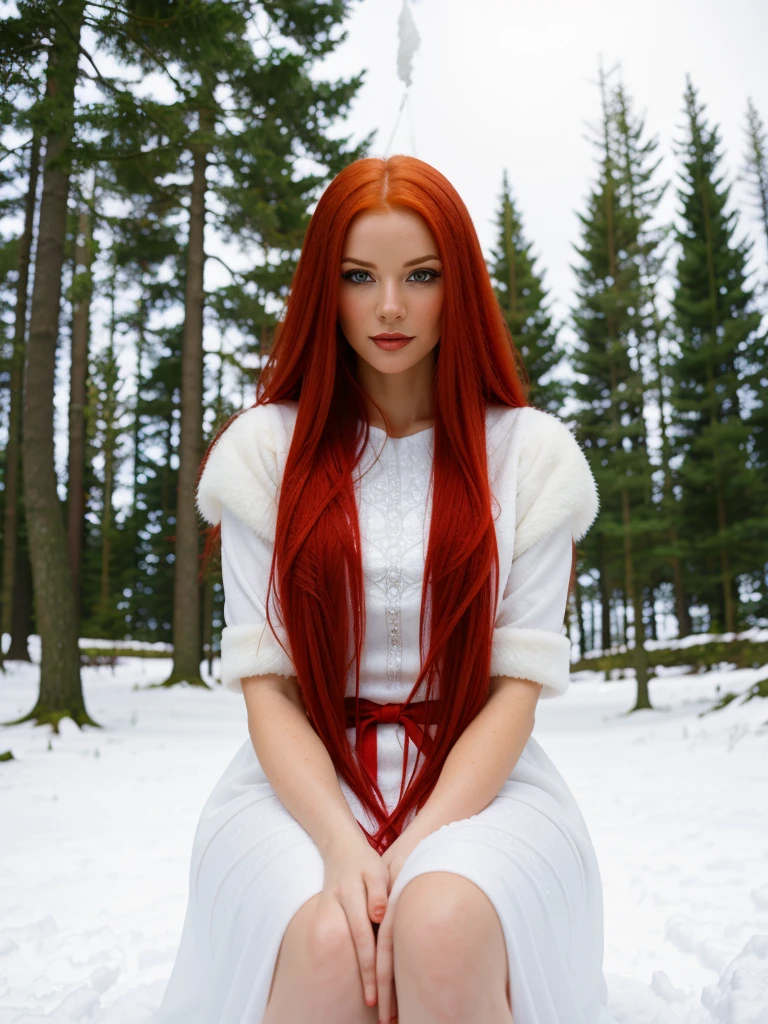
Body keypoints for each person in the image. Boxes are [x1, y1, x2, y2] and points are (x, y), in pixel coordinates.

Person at [154, 155, 618, 1024]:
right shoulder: (264, 452)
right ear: (324, 291)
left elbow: (516, 694)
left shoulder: (531, 455)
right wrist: (342, 845)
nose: (392, 308)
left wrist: (419, 845)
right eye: (360, 277)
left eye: (422, 276)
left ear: (461, 287)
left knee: (439, 922)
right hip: (296, 786)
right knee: (330, 941)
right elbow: (268, 689)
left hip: (487, 785)